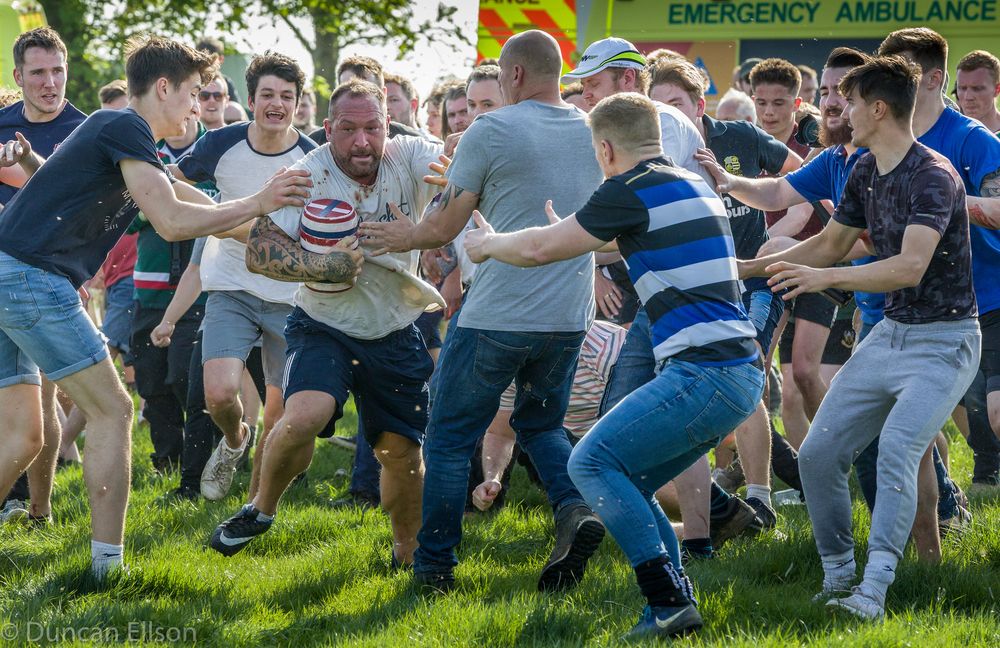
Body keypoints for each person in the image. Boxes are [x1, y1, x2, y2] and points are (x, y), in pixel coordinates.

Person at [0, 35, 311, 577]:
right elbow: (170, 221)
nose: (197, 105)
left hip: (10, 274)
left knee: (24, 434)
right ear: (163, 88)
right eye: (192, 92)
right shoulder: (124, 125)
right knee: (114, 411)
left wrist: (273, 241)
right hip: (29, 279)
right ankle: (107, 568)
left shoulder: (124, 135)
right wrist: (261, 201)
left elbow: (198, 203)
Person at [464, 92, 763, 639]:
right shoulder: (691, 184)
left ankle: (667, 600)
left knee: (589, 464)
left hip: (702, 372)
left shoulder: (628, 189)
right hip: (740, 372)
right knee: (627, 479)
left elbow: (536, 251)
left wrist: (487, 245)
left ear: (604, 149)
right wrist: (572, 231)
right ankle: (674, 604)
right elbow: (633, 244)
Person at [361, 30, 606, 594]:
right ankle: (572, 508)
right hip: (570, 315)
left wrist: (402, 233)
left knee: (447, 437)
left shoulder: (490, 128)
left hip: (497, 313)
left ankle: (434, 569)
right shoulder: (593, 128)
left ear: (513, 76)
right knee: (541, 425)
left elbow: (443, 227)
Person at [739, 55, 979, 620]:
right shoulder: (867, 168)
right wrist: (749, 268)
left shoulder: (935, 176)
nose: (838, 109)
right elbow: (829, 244)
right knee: (820, 453)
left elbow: (908, 267)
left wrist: (824, 279)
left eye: (849, 101)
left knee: (897, 449)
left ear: (877, 108)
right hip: (891, 334)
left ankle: (876, 588)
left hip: (946, 342)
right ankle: (838, 574)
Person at [208, 79, 430, 566]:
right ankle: (261, 509)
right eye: (348, 129)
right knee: (304, 414)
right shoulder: (306, 175)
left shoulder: (411, 155)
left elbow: (457, 169)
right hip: (322, 322)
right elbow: (262, 250)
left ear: (387, 125)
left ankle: (408, 552)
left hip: (395, 327)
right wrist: (318, 267)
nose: (362, 142)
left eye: (373, 128)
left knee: (401, 454)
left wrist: (420, 225)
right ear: (328, 129)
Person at [172, 51, 318, 502]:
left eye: (287, 97)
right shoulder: (220, 144)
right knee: (217, 394)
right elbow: (169, 182)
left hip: (289, 297)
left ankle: (254, 506)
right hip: (230, 288)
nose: (277, 104)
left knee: (278, 411)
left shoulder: (313, 157)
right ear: (251, 99)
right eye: (268, 95)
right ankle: (236, 439)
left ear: (298, 103)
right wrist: (219, 217)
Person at [0, 27, 87, 525]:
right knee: (14, 396)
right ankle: (15, 499)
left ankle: (40, 508)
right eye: (38, 73)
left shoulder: (83, 131)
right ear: (19, 76)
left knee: (48, 393)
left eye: (58, 71)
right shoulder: (1, 123)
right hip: (0, 275)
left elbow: (73, 206)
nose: (50, 83)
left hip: (53, 276)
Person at [955, 50, 1000, 134]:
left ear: (997, 90)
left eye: (977, 88)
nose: (968, 97)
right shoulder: (949, 133)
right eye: (962, 88)